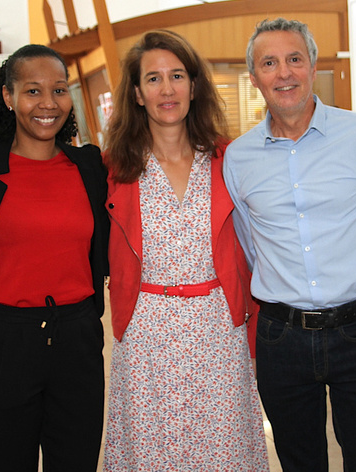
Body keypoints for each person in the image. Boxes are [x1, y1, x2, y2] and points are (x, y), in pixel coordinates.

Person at [224, 18, 356, 472]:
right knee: (298, 462)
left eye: (294, 59)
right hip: (281, 338)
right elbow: (252, 244)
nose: (284, 73)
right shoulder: (240, 156)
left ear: (313, 66)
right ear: (255, 79)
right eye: (269, 63)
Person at [102, 29, 268, 471]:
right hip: (145, 337)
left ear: (194, 87)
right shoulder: (115, 168)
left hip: (218, 332)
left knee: (223, 454)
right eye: (153, 79)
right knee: (152, 454)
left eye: (177, 75)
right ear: (137, 94)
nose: (167, 89)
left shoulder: (228, 161)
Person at [0, 45, 109, 471]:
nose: (48, 103)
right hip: (0, 344)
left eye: (58, 89)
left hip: (76, 343)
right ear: (8, 96)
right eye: (33, 91)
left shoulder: (90, 168)